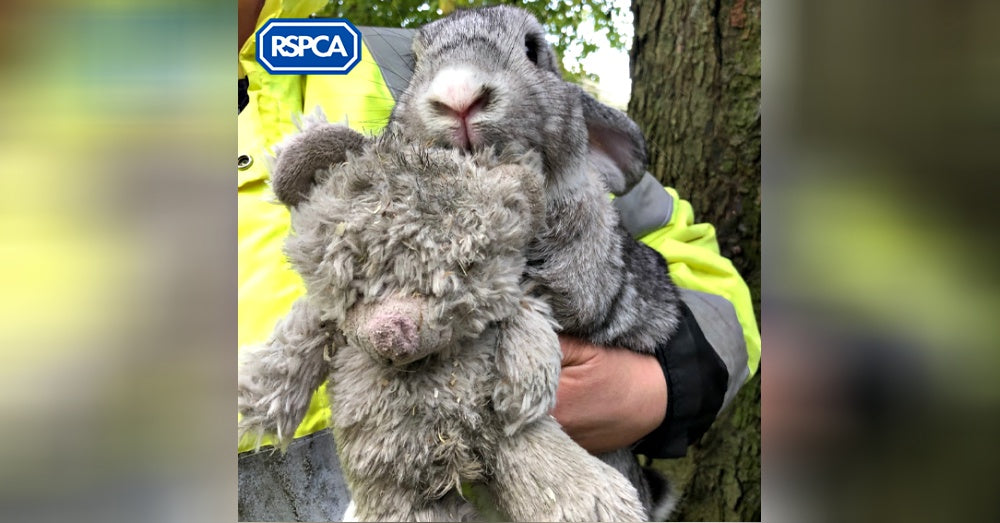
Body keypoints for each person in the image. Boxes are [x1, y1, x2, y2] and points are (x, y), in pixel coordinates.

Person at [237, 0, 760, 520]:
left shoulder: (374, 58)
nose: (454, 92)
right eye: (427, 69)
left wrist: (653, 387)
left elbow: (693, 262)